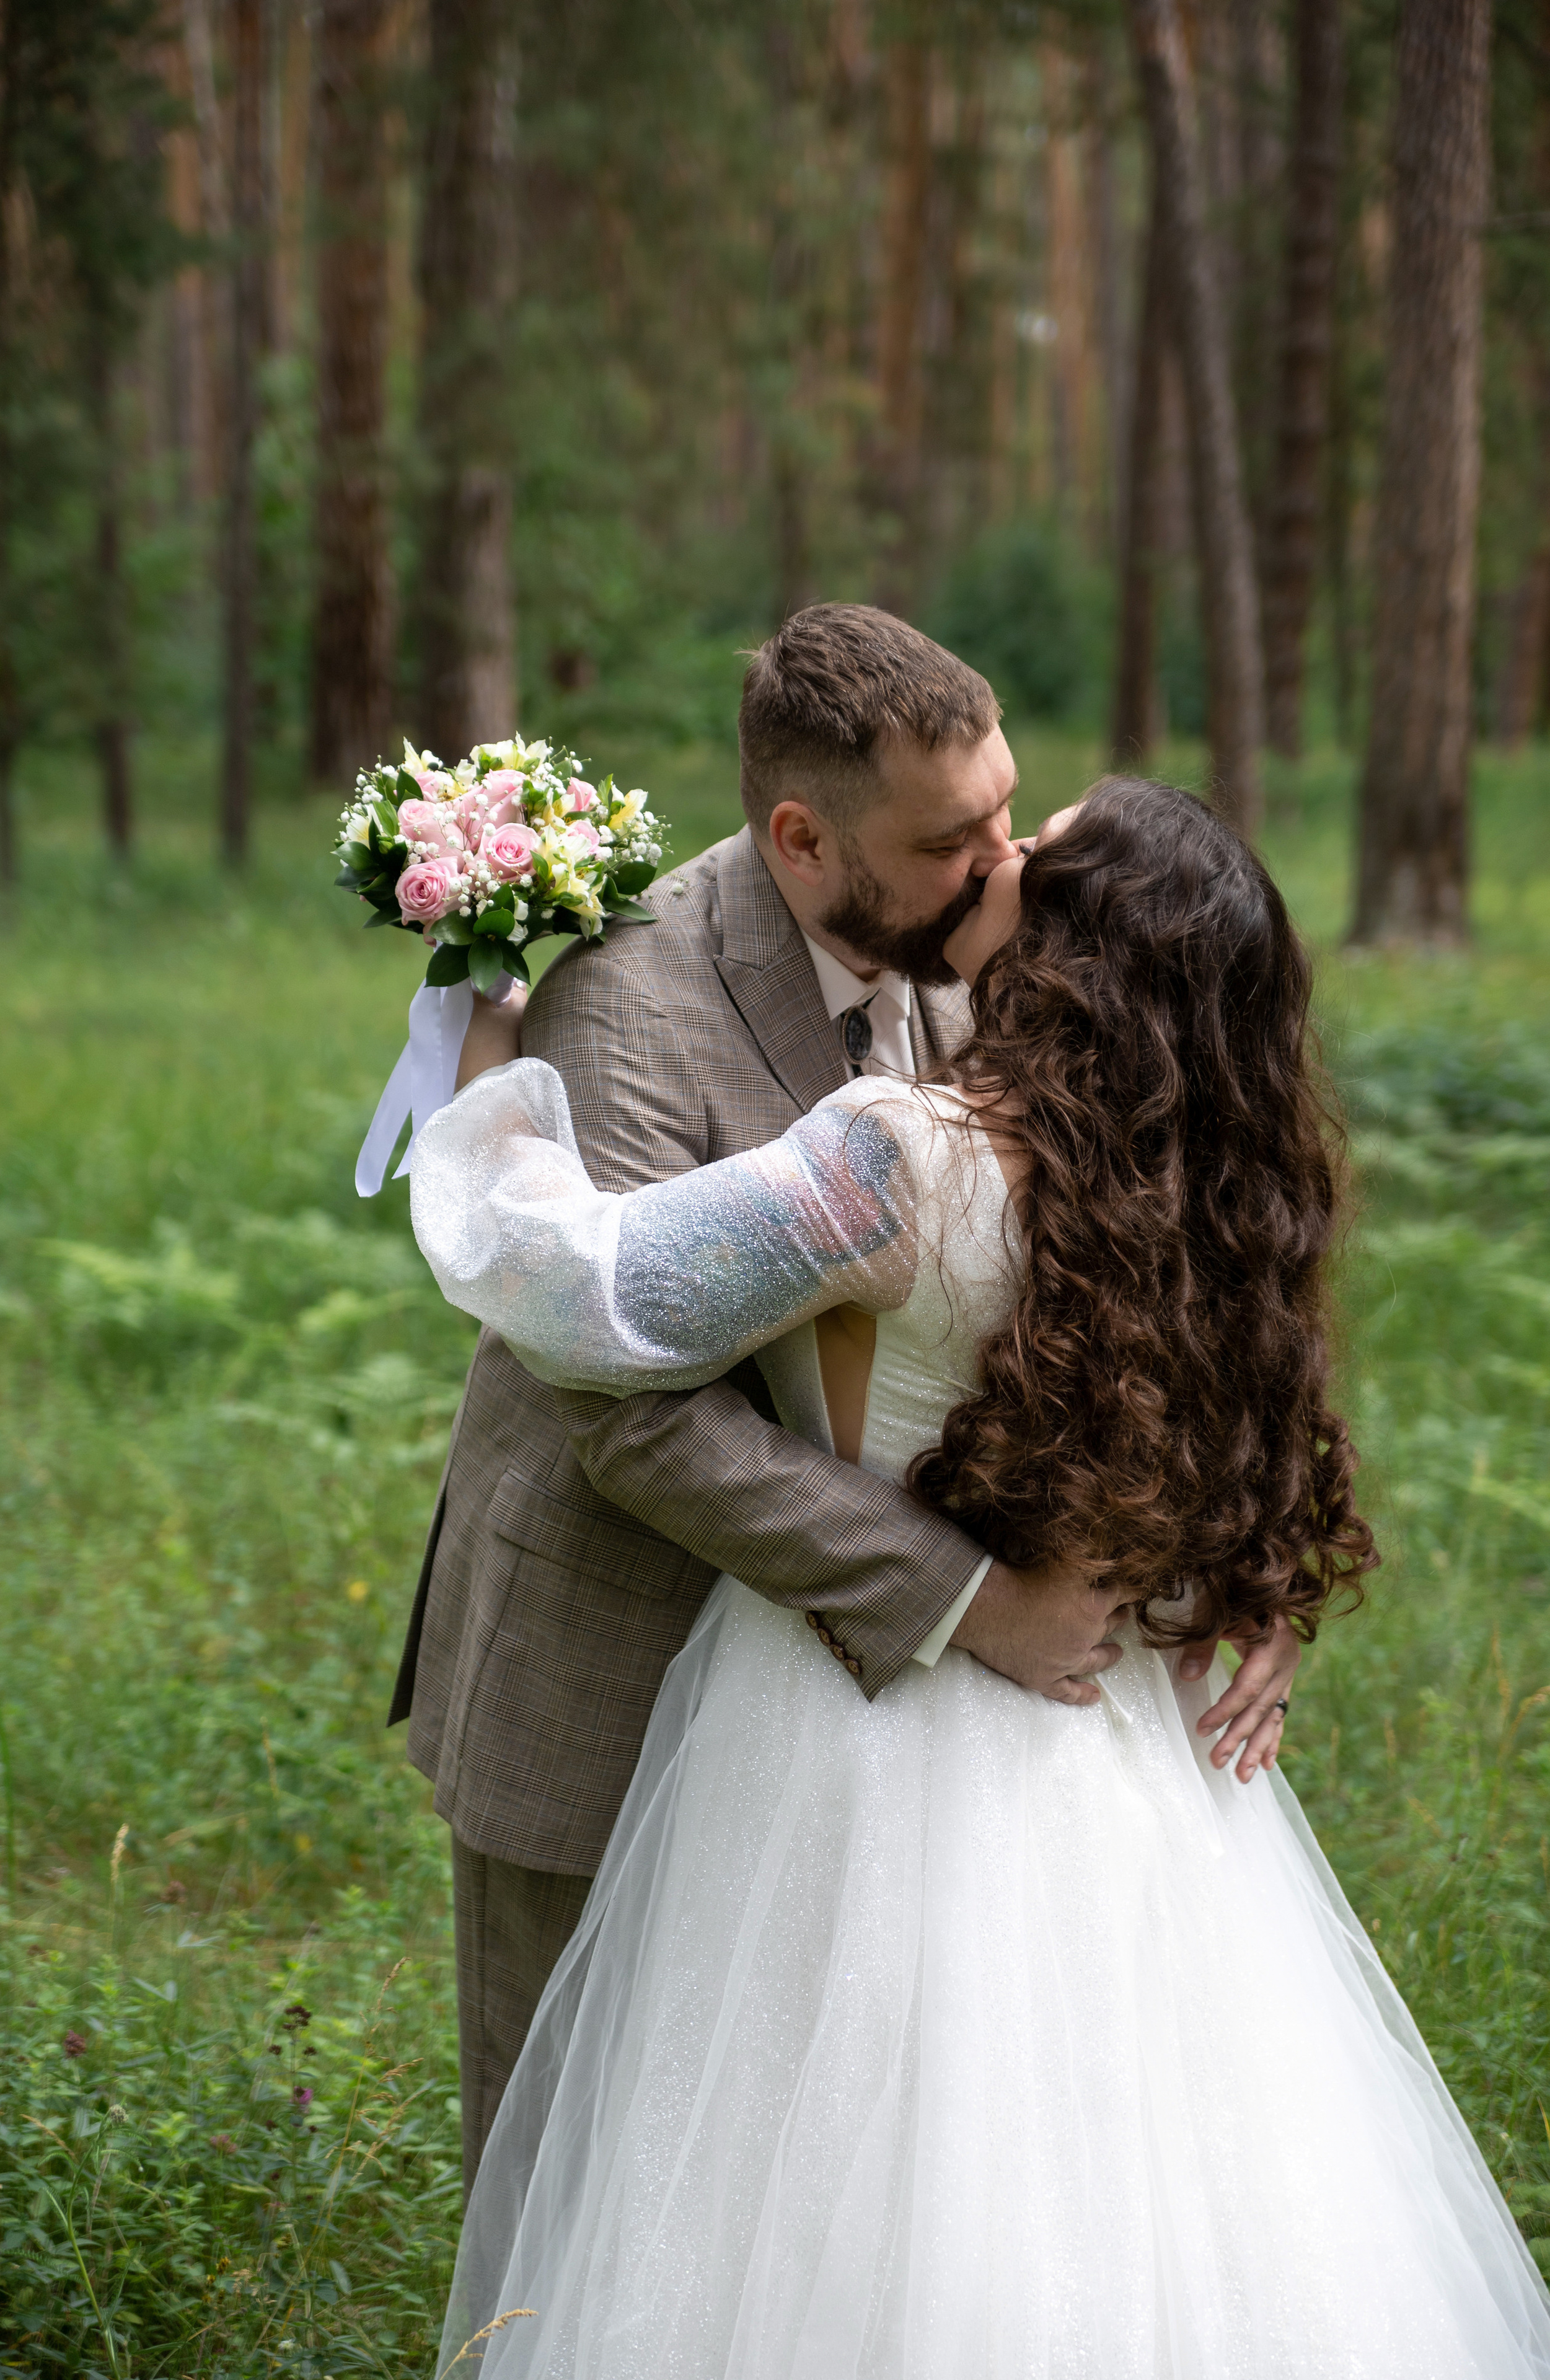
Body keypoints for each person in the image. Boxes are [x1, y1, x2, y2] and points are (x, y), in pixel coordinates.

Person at [410, 774, 1550, 2378]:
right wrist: (1263, 1582)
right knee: (1118, 2179)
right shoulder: (1203, 1191)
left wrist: (488, 1075)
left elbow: (589, 1296)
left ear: (1075, 946)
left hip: (846, 1732)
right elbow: (1237, 1413)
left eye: (1037, 847)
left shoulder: (900, 1160)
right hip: (1116, 1756)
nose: (999, 854)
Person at [389, 607, 1297, 2197]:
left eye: (1012, 813)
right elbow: (625, 1406)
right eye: (954, 839)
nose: (1008, 860)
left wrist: (1249, 1551)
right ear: (802, 839)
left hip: (879, 1730)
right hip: (613, 1646)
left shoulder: (1010, 961)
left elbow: (1164, 1265)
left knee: (828, 2176)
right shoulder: (634, 1000)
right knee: (574, 2181)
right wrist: (967, 1599)